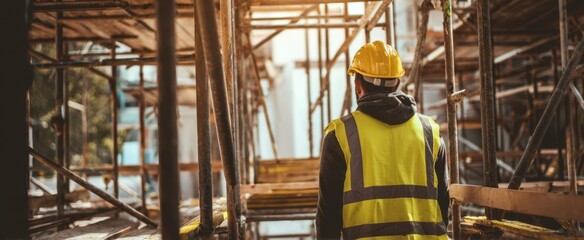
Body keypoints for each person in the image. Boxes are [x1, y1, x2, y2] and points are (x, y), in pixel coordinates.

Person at [316, 41, 449, 239]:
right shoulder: (430, 132)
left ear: (358, 85)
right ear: (397, 82)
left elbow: (329, 217)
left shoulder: (340, 136)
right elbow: (443, 204)